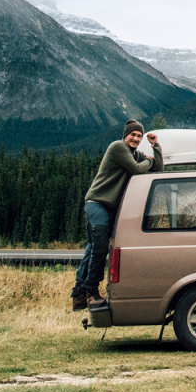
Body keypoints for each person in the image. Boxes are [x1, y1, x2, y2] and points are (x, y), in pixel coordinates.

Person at [71, 120, 162, 311]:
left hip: (110, 208)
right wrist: (149, 161)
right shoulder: (118, 147)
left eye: (139, 136)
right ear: (126, 135)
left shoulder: (135, 154)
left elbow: (158, 170)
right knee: (101, 246)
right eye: (133, 135)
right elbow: (138, 169)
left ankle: (79, 295)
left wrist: (155, 146)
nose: (136, 139)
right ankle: (91, 291)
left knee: (93, 248)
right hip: (97, 202)